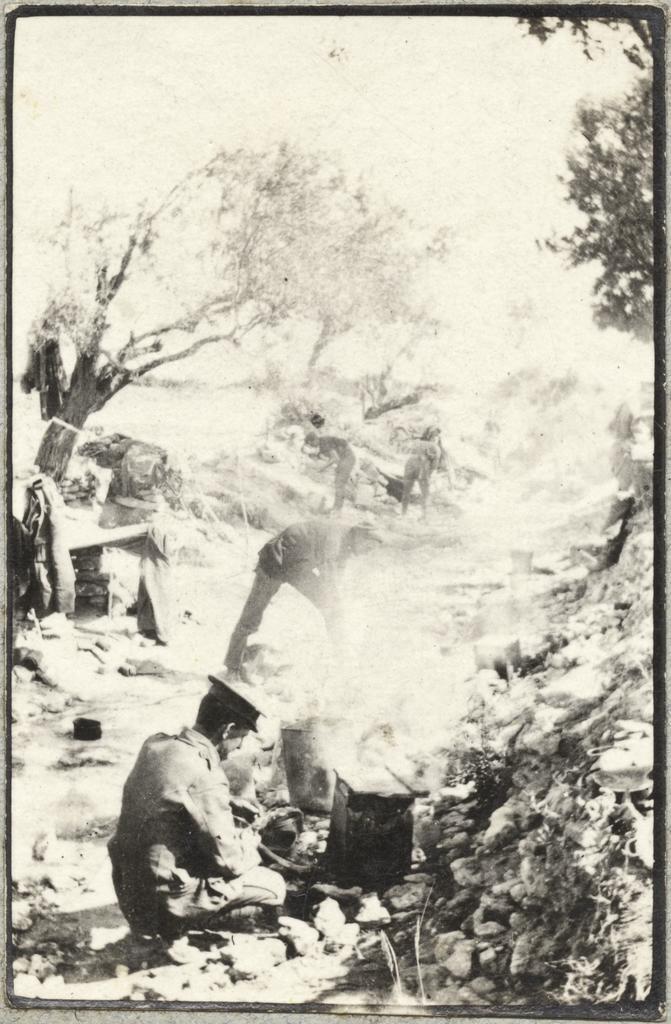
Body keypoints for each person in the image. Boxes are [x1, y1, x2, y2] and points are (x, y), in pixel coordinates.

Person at [108, 679, 285, 943]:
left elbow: (171, 795)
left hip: (129, 889)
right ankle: (180, 932)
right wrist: (252, 841)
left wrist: (227, 802)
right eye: (241, 738)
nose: (239, 748)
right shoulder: (207, 775)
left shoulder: (155, 745)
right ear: (227, 731)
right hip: (163, 902)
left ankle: (168, 924)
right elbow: (230, 862)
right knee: (274, 887)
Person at [224, 519, 382, 681]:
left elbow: (337, 579)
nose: (366, 553)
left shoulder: (347, 543)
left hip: (299, 566)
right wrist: (334, 600)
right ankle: (232, 667)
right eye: (368, 548)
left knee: (334, 609)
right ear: (361, 537)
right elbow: (329, 577)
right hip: (276, 559)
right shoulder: (335, 539)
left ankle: (343, 661)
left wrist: (338, 604)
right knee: (252, 615)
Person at [136, 495, 174, 645]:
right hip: (151, 552)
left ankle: (161, 632)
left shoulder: (160, 524)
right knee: (147, 581)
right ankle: (148, 627)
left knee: (156, 585)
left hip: (157, 549)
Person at [303, 431, 356, 512]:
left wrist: (322, 468)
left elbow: (335, 458)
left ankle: (337, 509)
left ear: (314, 439)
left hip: (347, 458)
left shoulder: (324, 443)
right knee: (338, 482)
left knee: (339, 483)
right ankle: (338, 506)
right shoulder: (322, 442)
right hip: (345, 457)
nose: (312, 446)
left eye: (311, 444)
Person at [401, 441, 440, 517]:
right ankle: (424, 516)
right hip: (422, 466)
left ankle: (403, 514)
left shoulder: (418, 443)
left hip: (411, 464)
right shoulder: (436, 448)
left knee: (406, 492)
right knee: (425, 494)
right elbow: (434, 466)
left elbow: (405, 450)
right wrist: (429, 475)